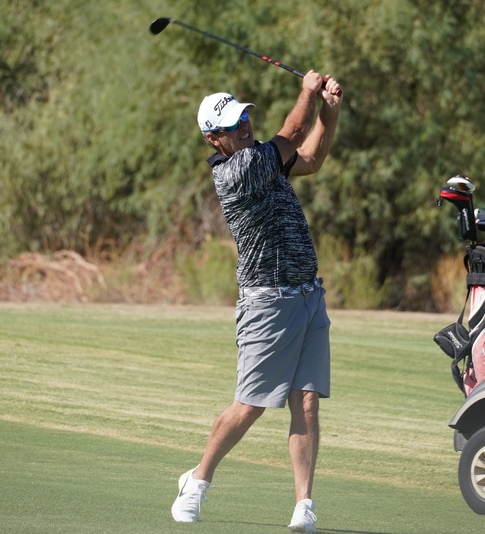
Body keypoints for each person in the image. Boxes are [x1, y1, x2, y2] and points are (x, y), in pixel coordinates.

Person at [171, 70, 343, 534]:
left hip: (308, 297)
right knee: (250, 405)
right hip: (268, 304)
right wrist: (308, 91)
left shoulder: (264, 160)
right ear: (214, 139)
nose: (244, 126)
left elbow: (310, 158)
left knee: (307, 402)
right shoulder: (239, 170)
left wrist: (329, 112)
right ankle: (197, 481)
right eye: (233, 125)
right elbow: (293, 133)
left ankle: (304, 506)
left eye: (244, 117)